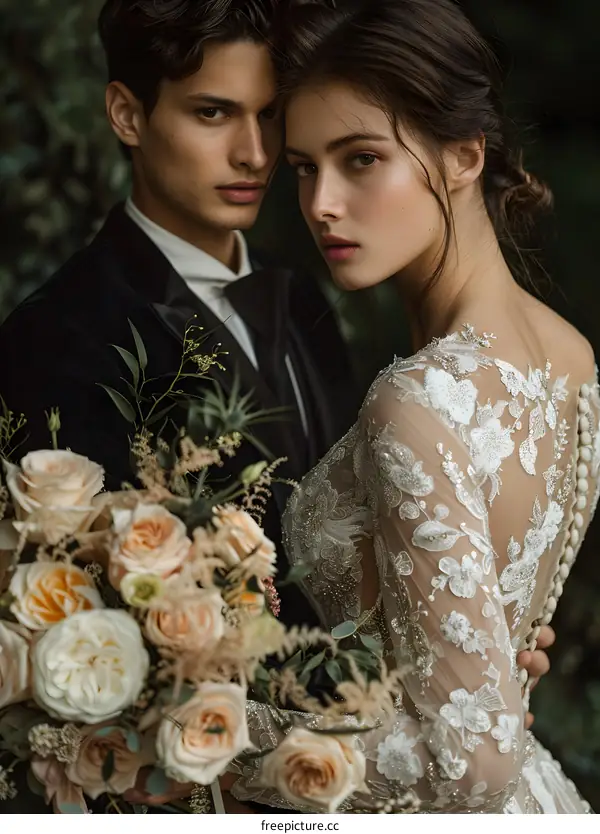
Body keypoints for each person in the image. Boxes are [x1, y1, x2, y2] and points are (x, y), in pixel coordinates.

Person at [0, 0, 554, 813]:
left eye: (269, 117)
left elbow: (351, 575)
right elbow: (77, 654)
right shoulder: (54, 336)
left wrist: (467, 661)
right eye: (213, 113)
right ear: (127, 112)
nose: (254, 153)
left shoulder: (304, 307)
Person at [224, 0, 596, 813]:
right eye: (302, 166)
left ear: (463, 156)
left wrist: (214, 737)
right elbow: (483, 686)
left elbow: (469, 767)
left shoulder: (412, 402)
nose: (320, 202)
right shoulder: (571, 353)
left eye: (360, 160)